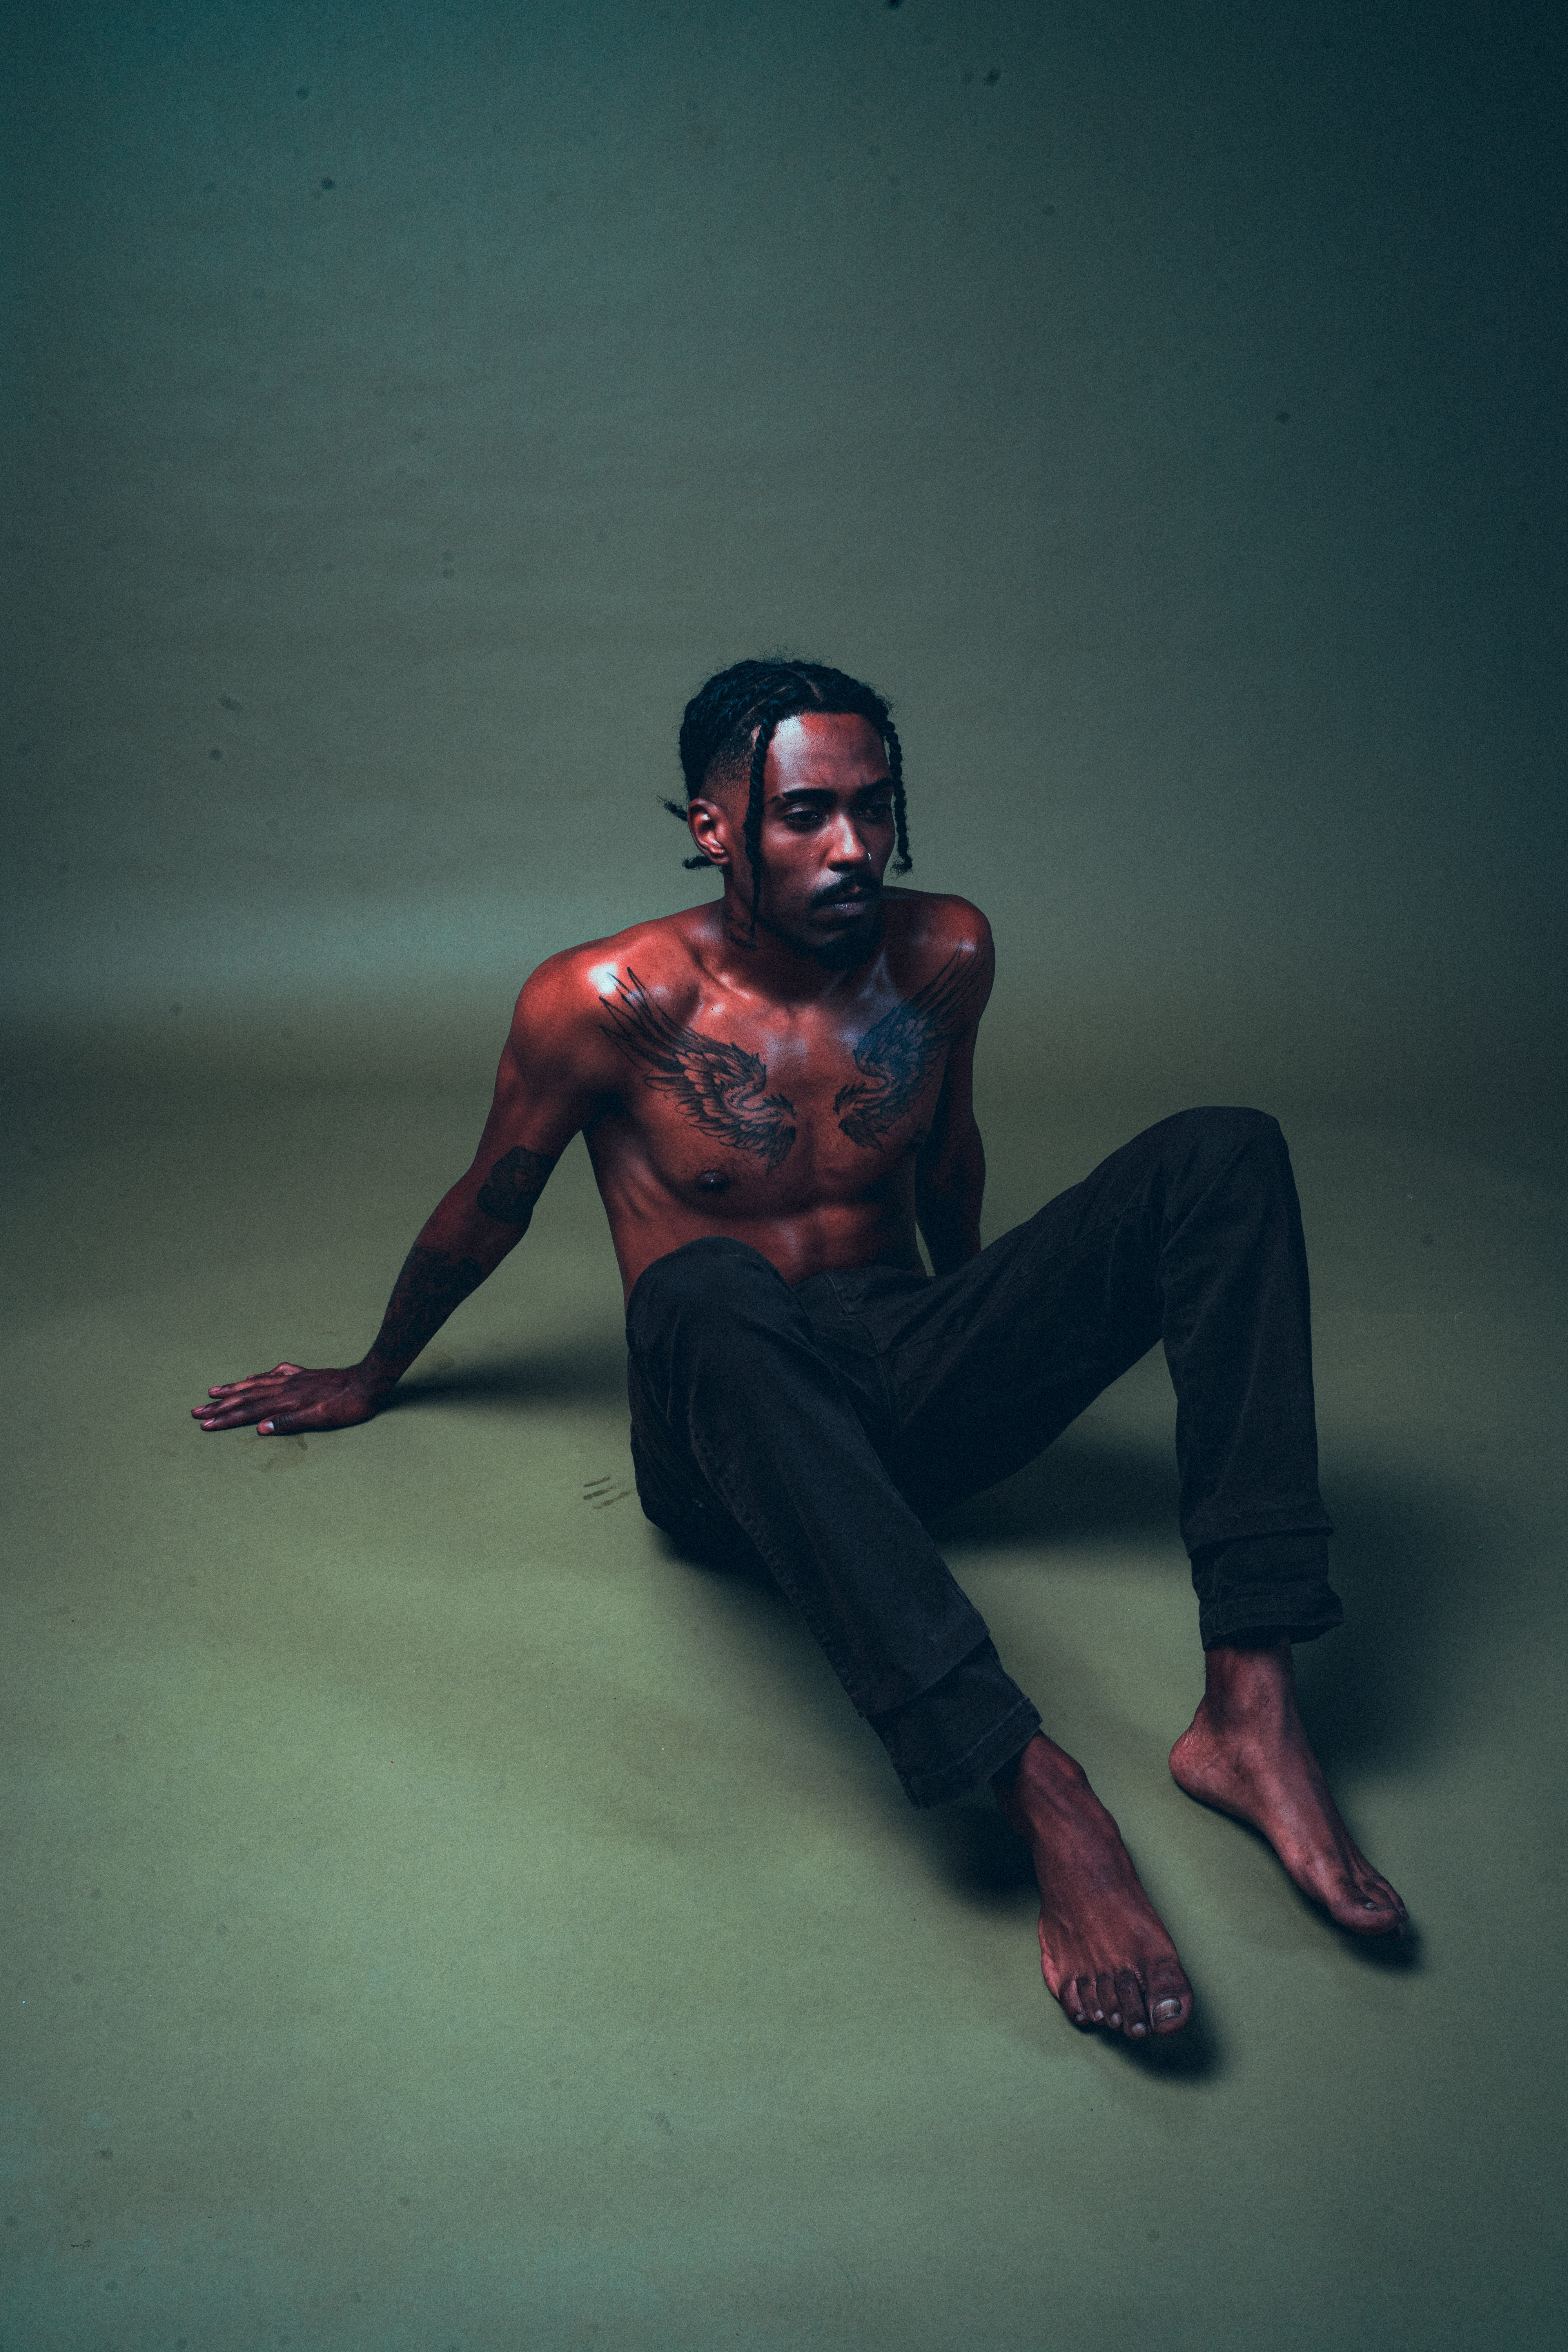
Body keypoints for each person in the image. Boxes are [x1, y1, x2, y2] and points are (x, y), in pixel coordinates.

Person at [195, 658, 1407, 2040]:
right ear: (717, 828)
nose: (853, 847)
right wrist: (371, 1373)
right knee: (702, 1287)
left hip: (902, 1373)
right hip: (727, 1442)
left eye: (875, 808)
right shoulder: (600, 999)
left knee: (1226, 1153)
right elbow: (492, 1203)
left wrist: (985, 1322)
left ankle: (1250, 1709)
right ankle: (1035, 1784)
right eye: (807, 814)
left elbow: (949, 1160)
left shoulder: (945, 955)